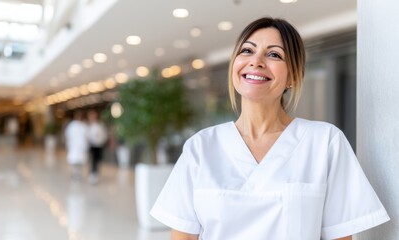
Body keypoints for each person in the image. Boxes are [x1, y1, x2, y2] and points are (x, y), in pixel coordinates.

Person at [150, 17, 390, 240]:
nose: (256, 61)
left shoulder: (325, 142)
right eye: (247, 50)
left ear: (293, 76)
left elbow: (340, 235)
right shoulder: (201, 147)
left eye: (274, 54)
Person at [65, 110, 88, 181]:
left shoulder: (83, 125)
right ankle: (74, 173)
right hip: (74, 146)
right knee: (74, 161)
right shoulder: (72, 125)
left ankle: (78, 173)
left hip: (81, 146)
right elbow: (68, 135)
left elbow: (86, 136)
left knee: (80, 162)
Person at [86, 110, 108, 184]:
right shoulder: (89, 126)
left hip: (98, 146)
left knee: (97, 161)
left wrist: (100, 141)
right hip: (91, 145)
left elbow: (103, 135)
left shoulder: (100, 125)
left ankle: (95, 174)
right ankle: (92, 174)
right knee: (92, 161)